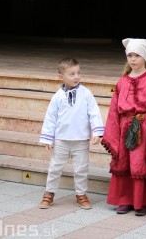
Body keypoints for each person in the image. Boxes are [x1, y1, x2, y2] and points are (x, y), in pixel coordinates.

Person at [101, 38, 146, 216]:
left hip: (144, 128)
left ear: (145, 57)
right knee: (125, 162)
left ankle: (141, 201)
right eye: (130, 55)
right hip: (124, 127)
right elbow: (114, 109)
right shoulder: (122, 82)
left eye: (137, 55)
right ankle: (124, 199)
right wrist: (112, 131)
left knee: (140, 163)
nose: (133, 59)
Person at [39, 57, 104, 210]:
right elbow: (50, 118)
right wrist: (48, 138)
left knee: (81, 169)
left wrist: (97, 131)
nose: (76, 77)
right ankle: (49, 193)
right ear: (61, 77)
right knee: (55, 167)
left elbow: (94, 113)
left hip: (80, 139)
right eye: (72, 74)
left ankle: (81, 195)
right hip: (61, 139)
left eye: (78, 73)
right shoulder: (57, 97)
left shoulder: (86, 94)